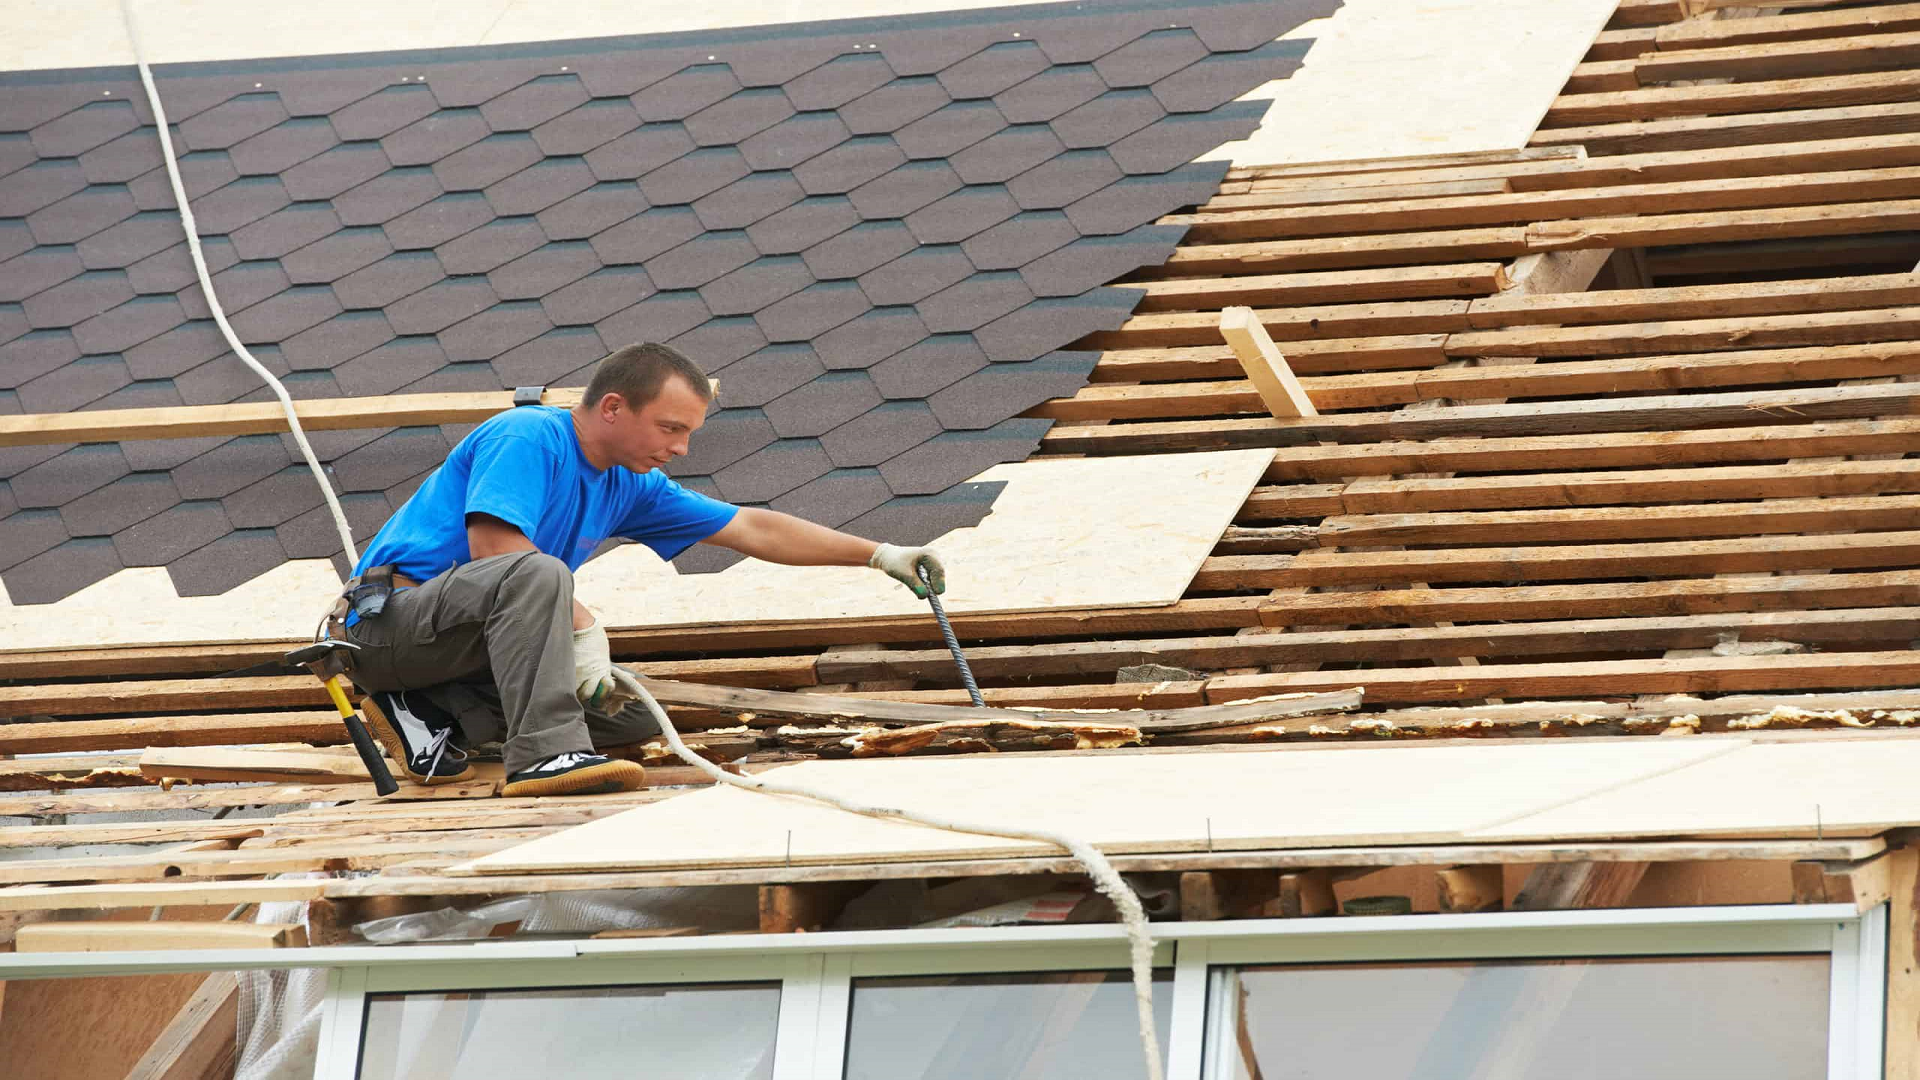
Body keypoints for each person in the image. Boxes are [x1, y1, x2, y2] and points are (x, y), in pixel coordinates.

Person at [330, 342, 945, 797]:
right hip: (385, 627)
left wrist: (879, 553)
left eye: (688, 433)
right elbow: (497, 548)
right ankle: (542, 759)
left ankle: (429, 711)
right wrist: (584, 630)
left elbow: (752, 527)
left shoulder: (633, 484)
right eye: (670, 427)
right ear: (615, 408)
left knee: (629, 714)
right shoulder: (528, 435)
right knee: (541, 576)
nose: (679, 448)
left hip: (457, 646)